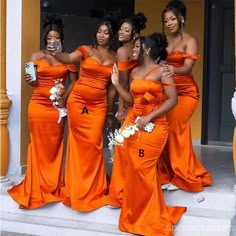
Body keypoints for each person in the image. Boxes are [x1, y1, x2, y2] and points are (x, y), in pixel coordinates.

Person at [110, 33, 186, 236]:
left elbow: (172, 100)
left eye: (137, 46)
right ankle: (135, 211)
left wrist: (149, 117)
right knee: (132, 165)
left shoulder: (163, 71)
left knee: (142, 167)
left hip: (155, 127)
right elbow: (133, 101)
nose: (133, 49)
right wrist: (117, 84)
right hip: (135, 123)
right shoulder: (134, 71)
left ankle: (148, 217)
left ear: (148, 49)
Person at [8, 15, 78, 209]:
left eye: (56, 38)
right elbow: (31, 81)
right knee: (38, 146)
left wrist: (64, 98)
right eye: (49, 38)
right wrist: (29, 78)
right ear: (45, 40)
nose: (52, 42)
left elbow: (74, 81)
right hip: (38, 105)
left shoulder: (68, 58)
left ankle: (52, 183)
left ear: (61, 40)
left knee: (55, 146)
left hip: (57, 107)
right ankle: (37, 184)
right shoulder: (36, 56)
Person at [49, 16, 119, 211]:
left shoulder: (115, 57)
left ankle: (93, 187)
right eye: (99, 31)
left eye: (106, 32)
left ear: (111, 35)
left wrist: (109, 114)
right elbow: (69, 59)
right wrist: (57, 52)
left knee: (94, 144)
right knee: (80, 145)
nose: (102, 35)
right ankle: (77, 187)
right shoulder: (86, 50)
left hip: (99, 105)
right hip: (78, 101)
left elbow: (112, 89)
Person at [158, 0, 213, 191]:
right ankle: (167, 173)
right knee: (165, 129)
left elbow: (187, 68)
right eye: (166, 20)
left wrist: (167, 67)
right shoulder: (163, 40)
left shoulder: (190, 41)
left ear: (181, 18)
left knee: (176, 128)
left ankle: (182, 174)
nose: (169, 23)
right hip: (167, 91)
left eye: (172, 19)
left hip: (187, 93)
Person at [108, 12, 147, 208]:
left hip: (133, 99)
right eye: (120, 29)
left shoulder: (124, 50)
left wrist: (120, 109)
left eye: (126, 30)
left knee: (124, 145)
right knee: (138, 145)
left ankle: (122, 191)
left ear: (135, 34)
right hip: (143, 97)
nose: (121, 32)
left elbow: (122, 81)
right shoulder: (140, 47)